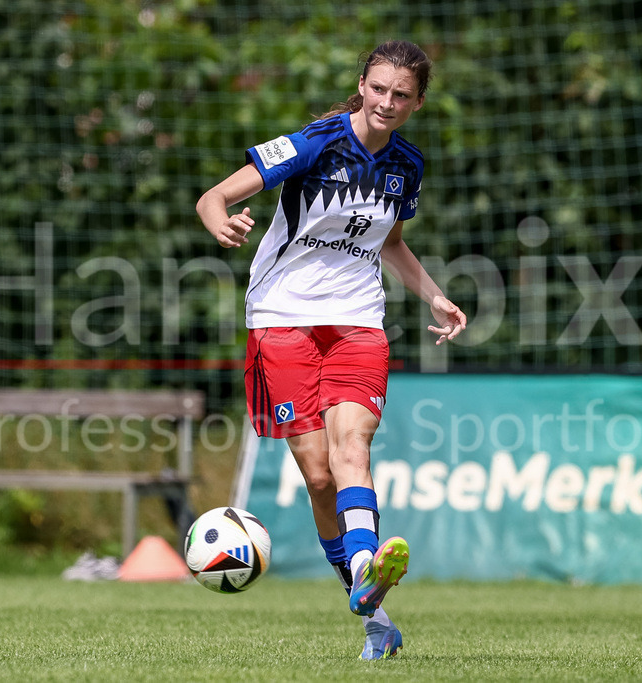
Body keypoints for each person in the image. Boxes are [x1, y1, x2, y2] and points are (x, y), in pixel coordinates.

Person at [197, 40, 466, 660]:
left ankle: (369, 564)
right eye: (378, 89)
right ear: (363, 85)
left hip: (356, 322)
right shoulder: (314, 143)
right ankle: (376, 619)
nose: (387, 102)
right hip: (281, 320)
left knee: (353, 446)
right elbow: (215, 195)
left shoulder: (407, 166)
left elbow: (391, 243)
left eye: (402, 94)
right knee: (318, 477)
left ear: (417, 102)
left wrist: (434, 296)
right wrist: (219, 219)